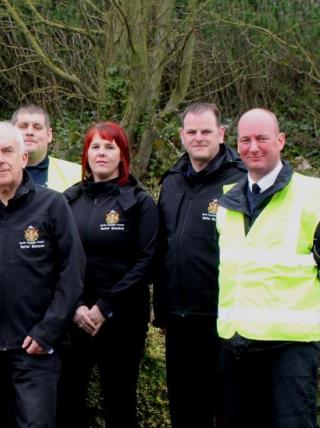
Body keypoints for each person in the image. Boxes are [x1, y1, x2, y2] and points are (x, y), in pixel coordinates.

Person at [0, 122, 85, 428]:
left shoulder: (52, 206)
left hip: (34, 349)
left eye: (7, 151)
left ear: (23, 157)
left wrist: (46, 332)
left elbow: (72, 274)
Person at [215, 108, 320, 427]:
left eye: (262, 138)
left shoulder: (312, 195)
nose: (253, 147)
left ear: (281, 140)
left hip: (290, 349)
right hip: (236, 346)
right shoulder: (227, 202)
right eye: (245, 140)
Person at [57, 122, 158, 428]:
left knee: (119, 401)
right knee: (67, 399)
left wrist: (105, 307)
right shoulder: (67, 200)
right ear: (86, 155)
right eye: (95, 146)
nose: (101, 153)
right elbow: (56, 258)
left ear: (122, 154)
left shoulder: (139, 202)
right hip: (75, 318)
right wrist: (75, 308)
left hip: (122, 319)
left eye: (109, 146)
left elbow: (147, 262)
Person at [152, 102, 245, 427]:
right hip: (179, 319)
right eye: (191, 131)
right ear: (181, 136)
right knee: (185, 410)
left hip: (224, 319)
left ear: (221, 133)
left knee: (228, 409)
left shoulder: (242, 179)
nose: (199, 137)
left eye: (206, 131)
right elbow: (162, 245)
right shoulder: (172, 181)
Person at [0, 104, 81, 192]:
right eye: (23, 126)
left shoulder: (75, 174)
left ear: (49, 135)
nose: (30, 132)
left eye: (37, 127)